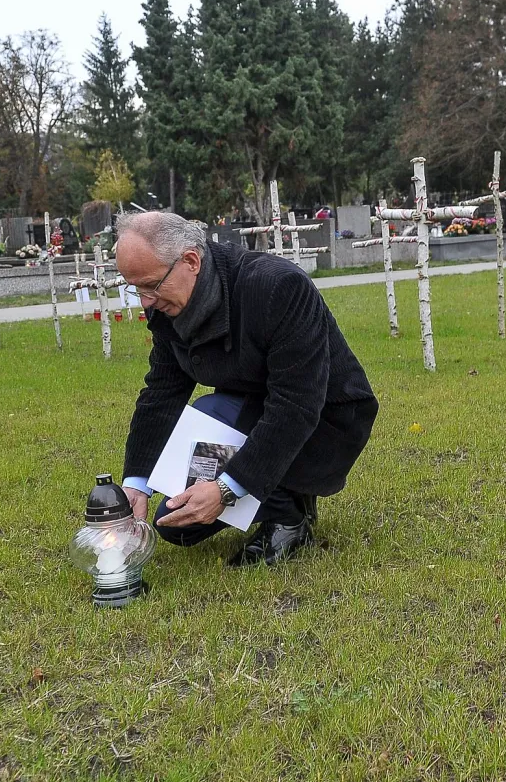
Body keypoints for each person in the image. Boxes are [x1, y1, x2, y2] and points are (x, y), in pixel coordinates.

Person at [114, 212, 379, 567]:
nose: (145, 302)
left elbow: (297, 404)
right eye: (135, 288)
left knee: (214, 421)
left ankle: (288, 518)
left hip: (327, 418)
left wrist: (227, 488)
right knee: (176, 524)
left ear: (191, 261)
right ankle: (286, 492)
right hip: (255, 406)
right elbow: (162, 392)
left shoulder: (278, 287)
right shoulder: (167, 305)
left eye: (150, 286)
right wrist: (137, 481)